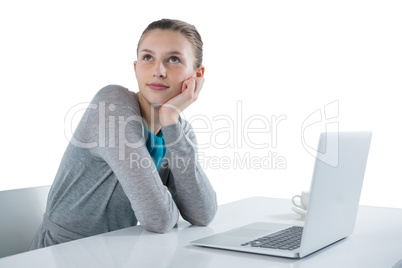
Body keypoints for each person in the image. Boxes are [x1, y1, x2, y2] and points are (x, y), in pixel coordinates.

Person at [29, 18, 217, 250]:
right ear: (135, 67)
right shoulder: (112, 106)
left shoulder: (177, 129)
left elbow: (202, 213)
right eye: (148, 57)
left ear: (197, 75)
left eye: (174, 59)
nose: (158, 71)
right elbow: (158, 219)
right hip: (61, 253)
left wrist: (170, 119)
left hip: (115, 253)